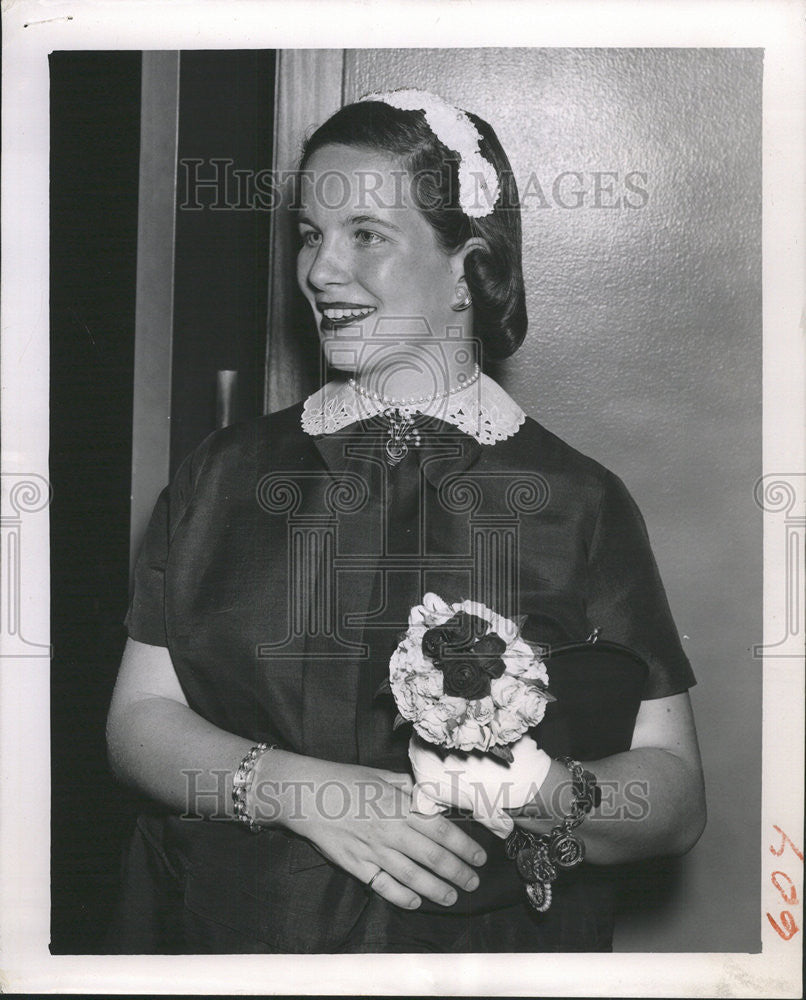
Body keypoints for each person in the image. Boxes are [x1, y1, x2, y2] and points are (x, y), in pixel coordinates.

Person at [106, 89, 706, 954]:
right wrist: (300, 790)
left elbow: (675, 793)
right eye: (310, 235)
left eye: (366, 235)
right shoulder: (221, 475)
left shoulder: (579, 500)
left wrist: (538, 790)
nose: (318, 270)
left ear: (465, 262)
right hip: (224, 938)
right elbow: (138, 724)